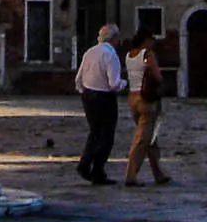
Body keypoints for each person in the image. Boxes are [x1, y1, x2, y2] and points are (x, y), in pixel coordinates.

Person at [74, 23, 126, 185]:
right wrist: (125, 83)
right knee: (107, 136)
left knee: (94, 132)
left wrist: (85, 92)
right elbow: (113, 83)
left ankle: (85, 164)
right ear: (115, 39)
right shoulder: (111, 55)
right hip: (105, 98)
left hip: (88, 95)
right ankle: (97, 171)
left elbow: (78, 79)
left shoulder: (90, 52)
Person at [122, 28, 172, 185]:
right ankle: (131, 175)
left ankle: (159, 173)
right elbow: (157, 76)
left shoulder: (129, 56)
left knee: (151, 137)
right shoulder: (148, 55)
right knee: (142, 139)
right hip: (147, 100)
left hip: (132, 98)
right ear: (146, 40)